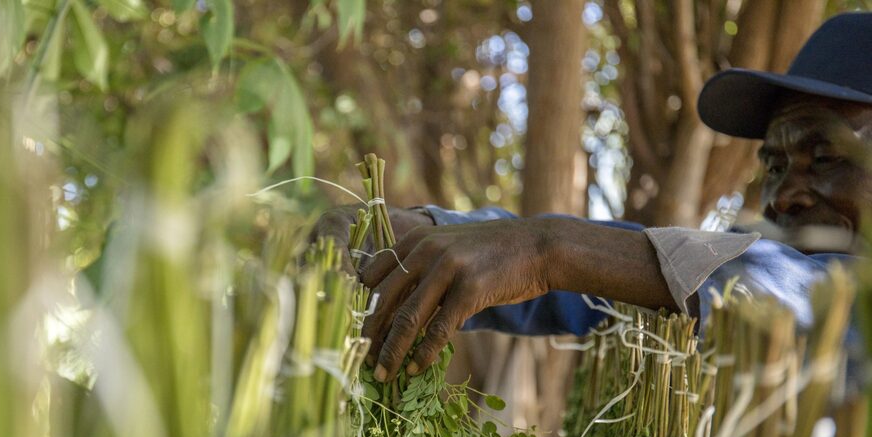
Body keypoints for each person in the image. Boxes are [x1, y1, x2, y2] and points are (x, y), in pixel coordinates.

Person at [314, 12, 872, 384]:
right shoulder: (730, 275)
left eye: (825, 157)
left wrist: (548, 250)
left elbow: (801, 293)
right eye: (773, 166)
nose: (785, 196)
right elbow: (635, 275)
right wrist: (418, 230)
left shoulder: (820, 296)